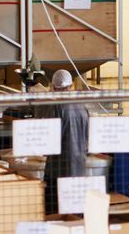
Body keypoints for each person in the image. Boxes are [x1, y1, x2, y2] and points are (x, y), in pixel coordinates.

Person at [36, 68, 91, 216]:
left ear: (53, 87)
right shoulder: (82, 106)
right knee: (75, 214)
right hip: (79, 169)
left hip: (57, 171)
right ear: (71, 86)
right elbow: (88, 139)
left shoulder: (56, 106)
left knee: (55, 215)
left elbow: (49, 142)